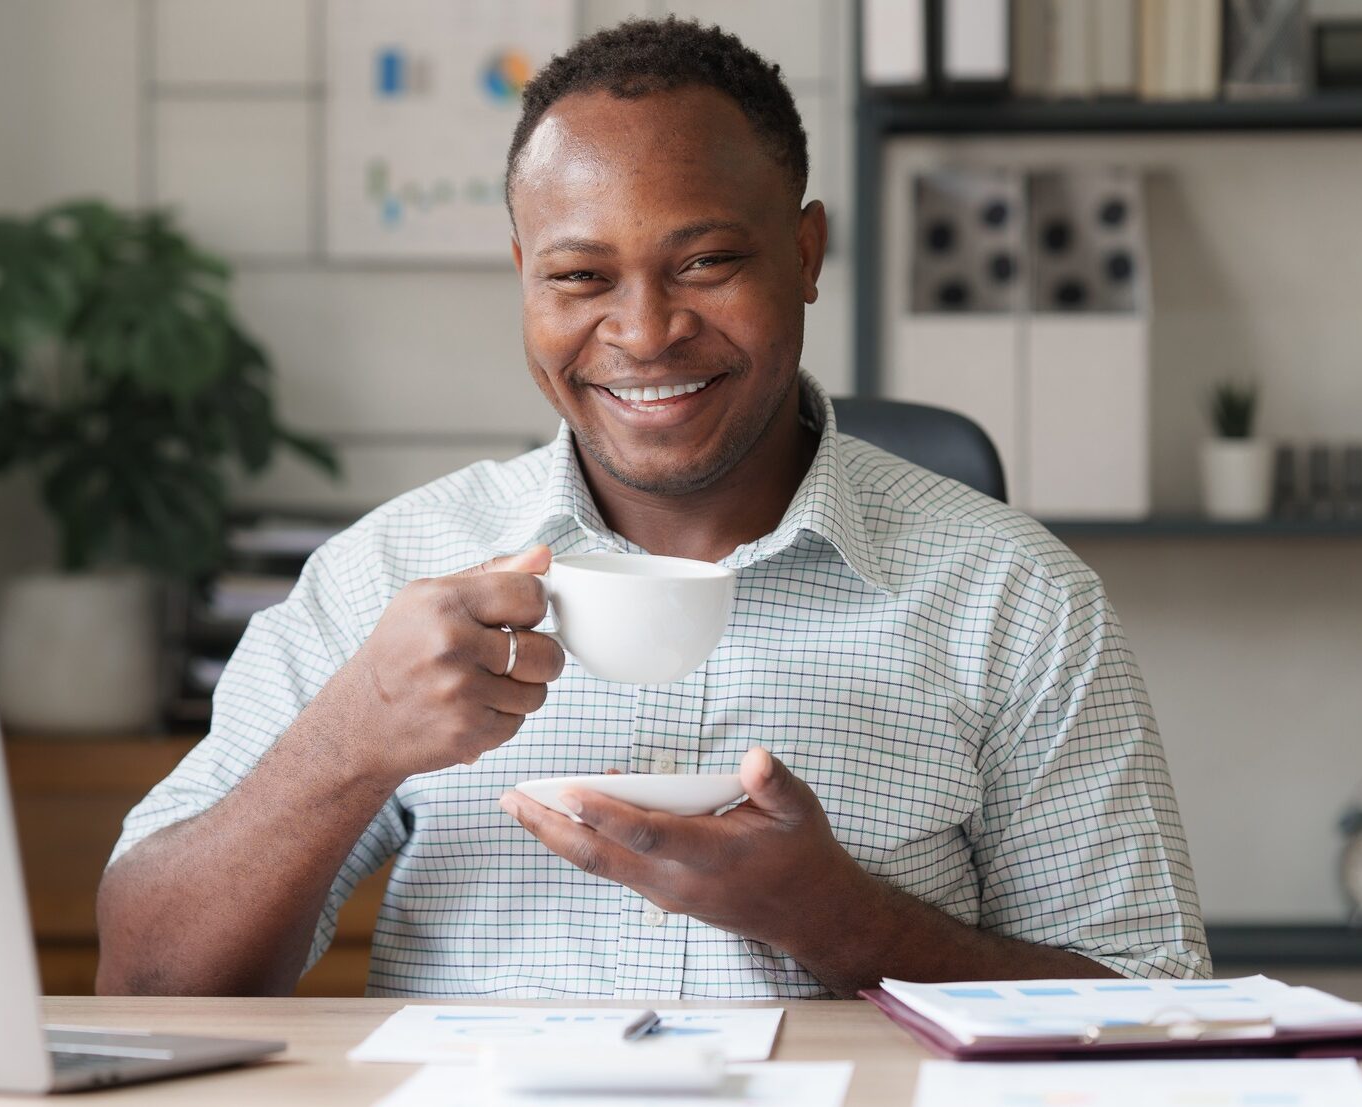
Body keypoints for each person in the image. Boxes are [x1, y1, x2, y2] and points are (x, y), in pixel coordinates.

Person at [95, 17, 1207, 999]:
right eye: (579, 278)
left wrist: (835, 919)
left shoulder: (1014, 598)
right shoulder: (391, 572)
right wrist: (347, 744)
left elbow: (1157, 1009)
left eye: (708, 261)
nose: (643, 332)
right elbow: (145, 982)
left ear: (806, 254)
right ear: (523, 275)